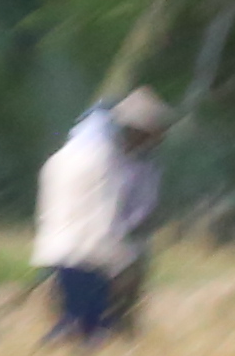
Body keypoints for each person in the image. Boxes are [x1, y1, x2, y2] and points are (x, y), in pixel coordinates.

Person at [30, 87, 170, 342]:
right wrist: (122, 261)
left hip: (70, 247)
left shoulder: (85, 145)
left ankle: (81, 334)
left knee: (81, 312)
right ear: (139, 130)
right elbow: (111, 219)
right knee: (89, 322)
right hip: (91, 248)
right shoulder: (103, 157)